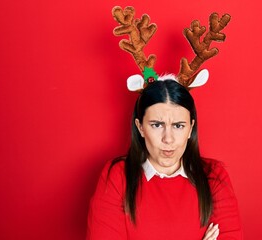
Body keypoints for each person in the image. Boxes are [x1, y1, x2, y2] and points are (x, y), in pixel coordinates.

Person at [87, 79, 242, 240]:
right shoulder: (117, 176)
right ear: (140, 127)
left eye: (178, 126)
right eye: (157, 125)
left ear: (190, 128)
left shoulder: (213, 176)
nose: (168, 139)